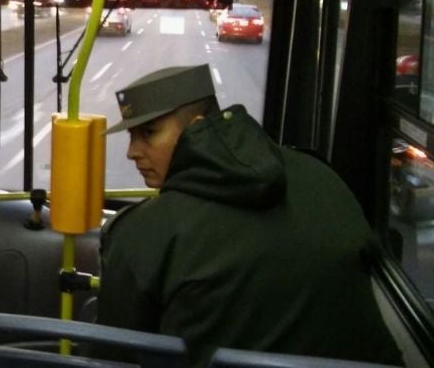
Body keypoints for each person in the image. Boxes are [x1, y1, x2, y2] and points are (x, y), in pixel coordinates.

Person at [95, 64, 403, 367]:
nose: (132, 152)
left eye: (148, 133)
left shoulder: (144, 231)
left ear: (197, 127)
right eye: (131, 136)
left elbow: (115, 351)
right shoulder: (321, 175)